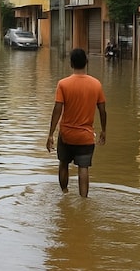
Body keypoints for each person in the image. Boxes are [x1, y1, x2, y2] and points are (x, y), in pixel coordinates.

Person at [46, 48, 107, 197]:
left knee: (63, 163)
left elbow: (57, 109)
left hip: (66, 134)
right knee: (83, 167)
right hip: (85, 136)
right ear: (86, 63)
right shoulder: (96, 84)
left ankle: (65, 194)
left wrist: (51, 134)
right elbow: (102, 110)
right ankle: (84, 200)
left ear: (71, 63)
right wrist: (104, 131)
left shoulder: (63, 84)